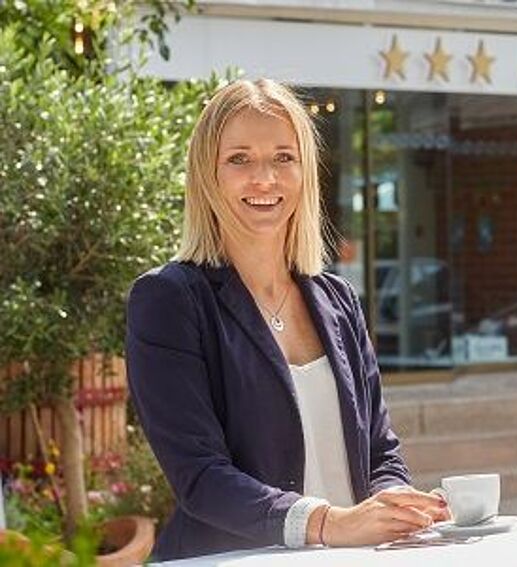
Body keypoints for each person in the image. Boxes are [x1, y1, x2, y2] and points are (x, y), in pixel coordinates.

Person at [125, 78, 449, 561]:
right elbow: (201, 476)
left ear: (305, 173)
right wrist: (327, 523)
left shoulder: (338, 300)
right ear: (207, 174)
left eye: (283, 158)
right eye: (239, 159)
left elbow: (380, 453)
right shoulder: (168, 300)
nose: (265, 179)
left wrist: (397, 508)